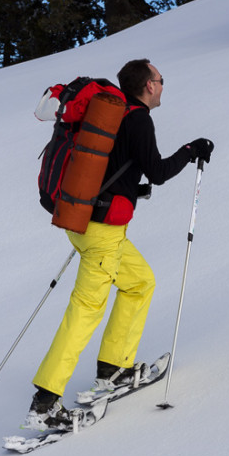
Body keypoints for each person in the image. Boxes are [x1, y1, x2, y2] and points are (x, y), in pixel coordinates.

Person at [25, 59, 213, 429]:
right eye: (160, 79)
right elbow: (158, 171)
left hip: (82, 223)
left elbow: (114, 166)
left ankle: (114, 369)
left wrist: (129, 189)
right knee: (86, 309)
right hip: (101, 233)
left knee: (140, 282)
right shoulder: (137, 118)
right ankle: (44, 403)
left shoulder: (110, 113)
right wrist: (192, 150)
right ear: (148, 87)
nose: (162, 85)